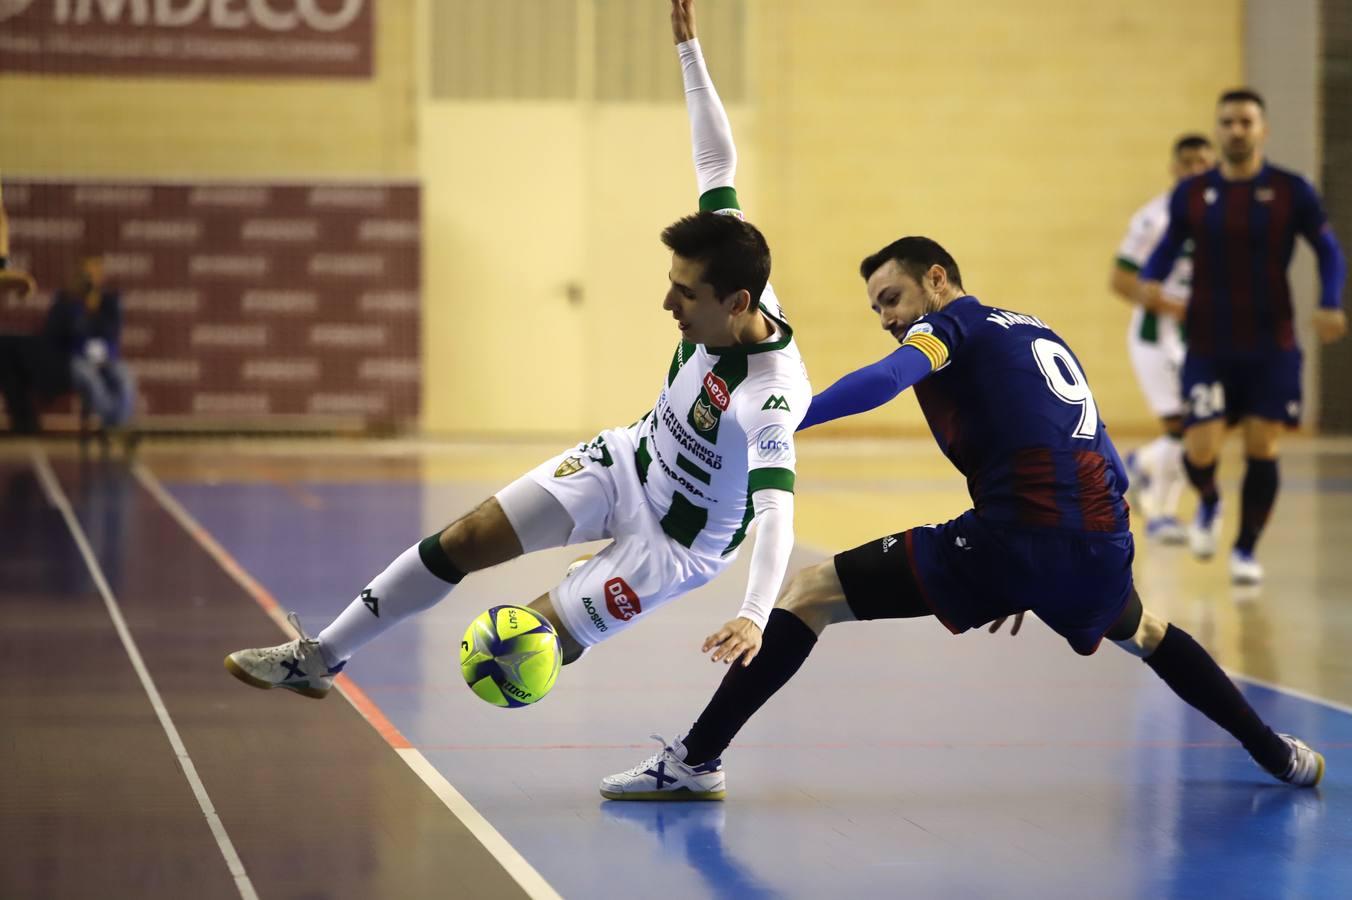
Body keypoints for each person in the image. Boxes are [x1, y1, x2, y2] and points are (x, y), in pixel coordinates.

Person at [596, 7, 1323, 798]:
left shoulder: (954, 326)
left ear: (938, 279)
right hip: (1095, 538)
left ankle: (693, 763)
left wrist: (780, 411)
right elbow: (1103, 449)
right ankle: (1279, 755)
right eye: (877, 308)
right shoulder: (1034, 327)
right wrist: (1044, 563)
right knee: (1145, 629)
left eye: (894, 297)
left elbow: (883, 382)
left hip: (1024, 536)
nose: (890, 318)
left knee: (808, 594)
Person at [222, 4, 812, 698]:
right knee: (468, 537)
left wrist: (751, 615)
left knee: (517, 642)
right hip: (629, 461)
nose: (667, 304)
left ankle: (578, 615)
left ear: (737, 304)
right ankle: (319, 658)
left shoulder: (769, 396)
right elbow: (716, 157)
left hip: (675, 545)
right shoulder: (731, 257)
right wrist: (689, 50)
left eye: (685, 295)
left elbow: (776, 514)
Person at [1137, 89, 1347, 585]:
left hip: (1271, 345)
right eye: (1228, 122)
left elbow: (1328, 249)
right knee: (1201, 447)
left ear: (1262, 129)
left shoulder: (1292, 191)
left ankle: (1245, 550)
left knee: (1261, 446)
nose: (1236, 130)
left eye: (1246, 122)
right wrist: (1151, 277)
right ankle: (1210, 500)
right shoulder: (1192, 194)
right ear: (1218, 128)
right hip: (1208, 344)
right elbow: (1169, 245)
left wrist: (1330, 301)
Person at [1109, 134, 1215, 543]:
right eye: (1187, 163)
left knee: (1201, 425)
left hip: (1204, 336)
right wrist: (1167, 303)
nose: (1195, 170)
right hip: (1158, 336)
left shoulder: (1223, 218)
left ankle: (1140, 463)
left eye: (1203, 163)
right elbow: (1120, 279)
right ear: (1174, 168)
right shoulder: (1153, 219)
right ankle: (1161, 514)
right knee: (1186, 427)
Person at [44, 253, 138, 433]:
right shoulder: (65, 300)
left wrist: (94, 308)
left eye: (95, 271)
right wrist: (79, 306)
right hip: (76, 359)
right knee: (90, 378)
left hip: (107, 358)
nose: (90, 277)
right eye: (86, 272)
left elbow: (111, 332)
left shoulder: (111, 300)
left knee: (125, 377)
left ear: (101, 274)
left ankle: (117, 425)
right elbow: (57, 333)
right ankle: (115, 426)